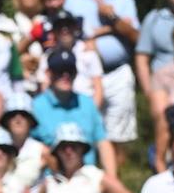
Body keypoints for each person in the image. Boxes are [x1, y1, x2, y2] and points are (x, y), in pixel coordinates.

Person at [64, 0, 140, 151]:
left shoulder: (124, 0)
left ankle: (115, 178)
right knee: (83, 130)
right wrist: (109, 30)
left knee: (119, 136)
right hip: (84, 75)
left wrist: (112, 19)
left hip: (118, 73)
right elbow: (68, 33)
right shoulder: (72, 0)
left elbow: (136, 36)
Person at [32, 50, 115, 178]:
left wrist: (111, 179)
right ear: (48, 73)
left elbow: (103, 142)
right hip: (51, 181)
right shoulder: (35, 107)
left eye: (70, 70)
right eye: (59, 70)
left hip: (87, 179)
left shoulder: (87, 104)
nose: (65, 75)